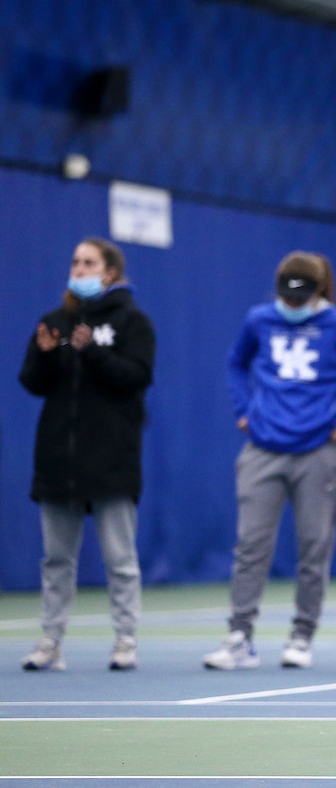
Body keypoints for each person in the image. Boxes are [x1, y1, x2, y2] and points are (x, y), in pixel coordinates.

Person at [203, 253, 336, 670]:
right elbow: (235, 362)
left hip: (318, 450)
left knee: (314, 545)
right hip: (263, 449)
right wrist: (242, 409)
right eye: (287, 295)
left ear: (318, 290)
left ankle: (302, 635)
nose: (293, 304)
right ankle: (239, 637)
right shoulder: (259, 319)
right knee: (251, 544)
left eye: (301, 297)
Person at [19, 237, 155, 671]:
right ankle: (50, 642)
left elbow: (136, 376)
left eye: (89, 263)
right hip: (60, 461)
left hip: (112, 460)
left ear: (109, 271)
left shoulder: (133, 322)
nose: (79, 269)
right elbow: (33, 383)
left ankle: (125, 640)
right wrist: (44, 357)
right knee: (56, 559)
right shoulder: (55, 322)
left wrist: (92, 351)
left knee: (120, 559)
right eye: (75, 262)